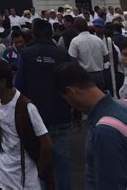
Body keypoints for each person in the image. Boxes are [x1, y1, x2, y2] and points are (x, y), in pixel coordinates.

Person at [14, 18, 73, 190]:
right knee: (62, 163)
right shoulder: (63, 54)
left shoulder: (26, 54)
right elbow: (72, 84)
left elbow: (19, 86)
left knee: (38, 163)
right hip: (61, 114)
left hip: (36, 117)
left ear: (33, 34)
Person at [54, 61, 127, 190]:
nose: (69, 105)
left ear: (70, 92)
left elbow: (110, 185)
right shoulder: (122, 106)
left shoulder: (105, 131)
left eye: (66, 99)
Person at [0, 59, 55, 190]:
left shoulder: (27, 107)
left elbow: (47, 144)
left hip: (25, 180)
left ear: (2, 82)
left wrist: (40, 169)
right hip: (2, 177)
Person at [68, 18, 108, 89]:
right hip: (100, 73)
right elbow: (106, 57)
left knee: (88, 98)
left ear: (76, 28)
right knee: (101, 97)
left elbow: (72, 59)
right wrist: (99, 63)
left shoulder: (75, 41)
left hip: (85, 74)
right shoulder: (98, 39)